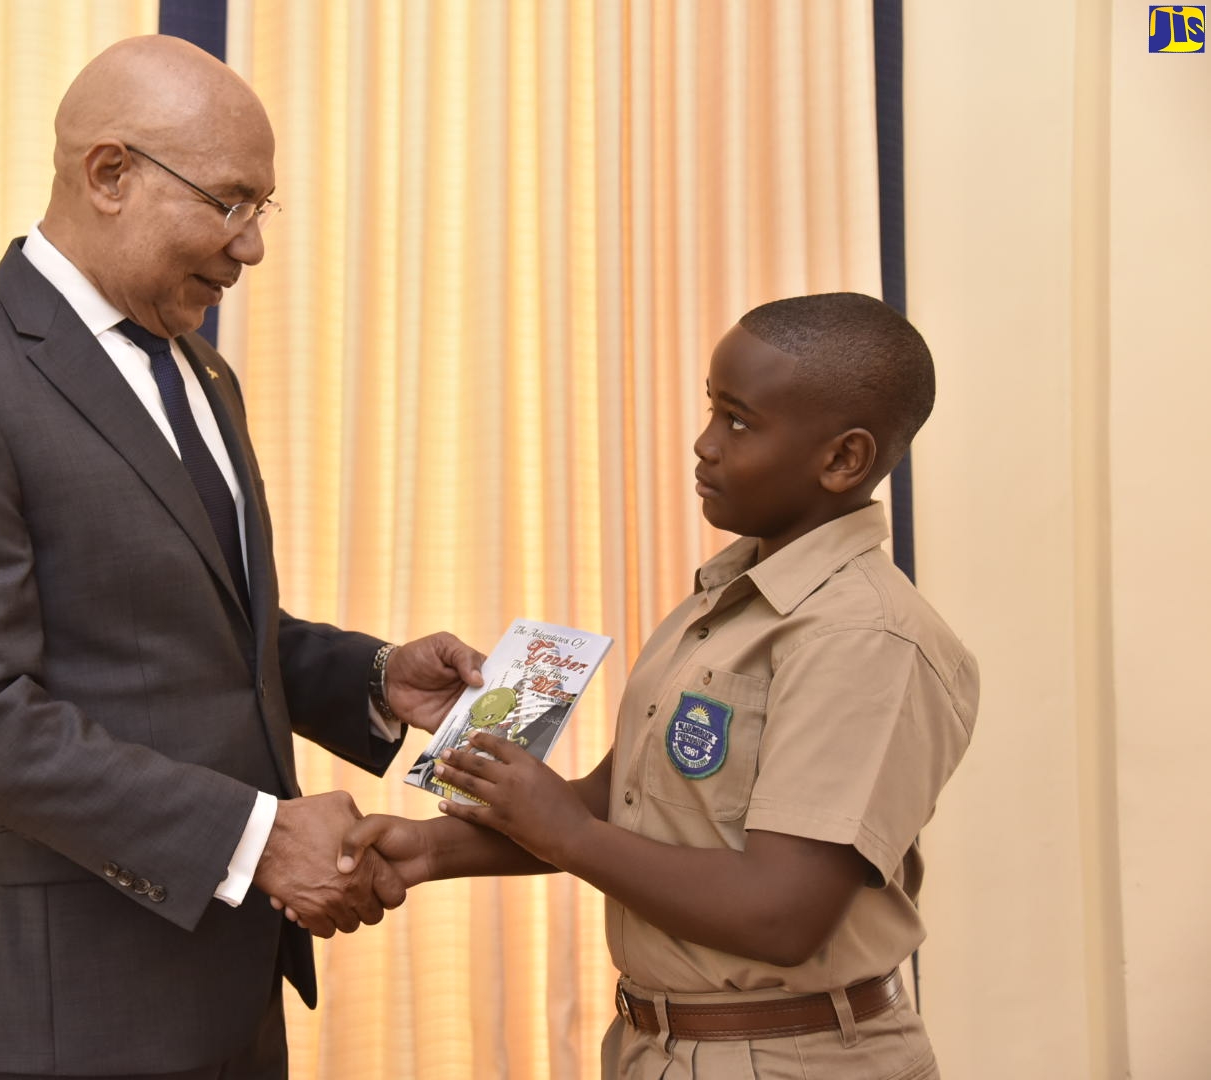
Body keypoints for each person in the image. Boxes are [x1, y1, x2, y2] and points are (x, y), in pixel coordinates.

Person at [0, 35, 482, 1080]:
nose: (251, 249)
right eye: (230, 202)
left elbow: (194, 627)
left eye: (260, 211)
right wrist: (254, 838)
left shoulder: (201, 368)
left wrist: (370, 678)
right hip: (61, 1017)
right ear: (109, 174)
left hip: (226, 993)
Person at [338, 293, 980, 1079]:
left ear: (843, 458)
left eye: (739, 422)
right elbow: (621, 807)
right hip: (662, 1045)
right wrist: (430, 851)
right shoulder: (724, 600)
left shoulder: (863, 638)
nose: (705, 446)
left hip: (795, 1057)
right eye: (712, 412)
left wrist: (563, 834)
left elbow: (782, 915)